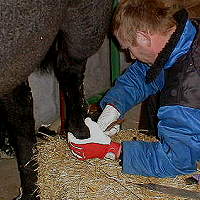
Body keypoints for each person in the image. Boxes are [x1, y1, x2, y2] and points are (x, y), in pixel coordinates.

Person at [68, 0, 200, 178]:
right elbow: (146, 73)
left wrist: (113, 150)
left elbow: (176, 162)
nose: (130, 56)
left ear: (144, 37)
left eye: (129, 48)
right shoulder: (186, 33)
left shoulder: (185, 93)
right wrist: (114, 106)